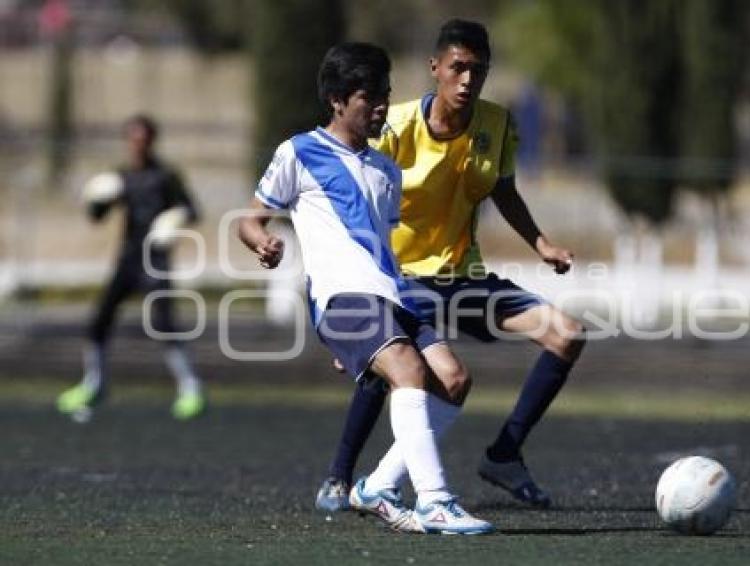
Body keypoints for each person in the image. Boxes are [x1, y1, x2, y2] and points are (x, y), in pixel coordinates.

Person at [315, 19, 586, 512]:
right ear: (435, 68)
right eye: (458, 68)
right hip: (400, 279)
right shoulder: (393, 127)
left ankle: (504, 455)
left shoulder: (497, 124)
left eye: (478, 71)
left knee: (567, 334)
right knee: (394, 368)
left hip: (464, 277)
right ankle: (340, 477)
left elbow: (503, 190)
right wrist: (352, 318)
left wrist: (541, 243)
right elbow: (356, 212)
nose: (467, 80)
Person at [238, 42, 493, 535]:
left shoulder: (385, 169)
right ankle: (435, 500)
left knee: (455, 380)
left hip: (392, 294)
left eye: (385, 94)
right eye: (368, 96)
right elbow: (251, 219)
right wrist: (262, 241)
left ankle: (376, 486)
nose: (381, 105)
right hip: (342, 296)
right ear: (337, 100)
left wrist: (363, 346)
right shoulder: (299, 151)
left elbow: (379, 243)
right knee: (408, 369)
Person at [56, 115, 205, 421]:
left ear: (151, 141)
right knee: (99, 321)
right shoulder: (121, 177)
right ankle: (94, 384)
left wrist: (174, 218)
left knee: (163, 324)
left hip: (156, 260)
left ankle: (190, 388)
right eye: (133, 139)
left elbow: (192, 209)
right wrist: (95, 198)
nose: (138, 145)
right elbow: (97, 216)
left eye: (143, 139)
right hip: (128, 258)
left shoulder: (165, 176)